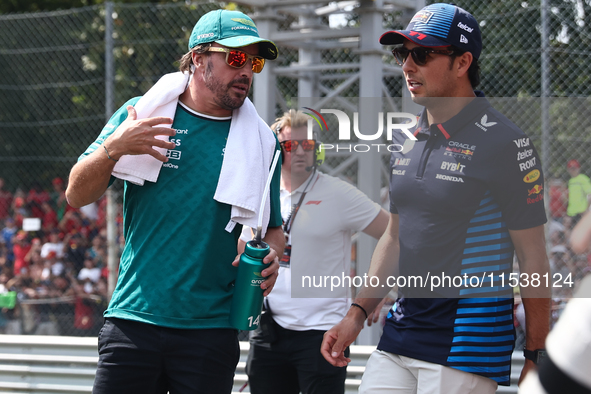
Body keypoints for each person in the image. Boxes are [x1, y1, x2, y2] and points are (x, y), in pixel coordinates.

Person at [321, 4, 551, 394]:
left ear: (463, 62)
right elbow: (394, 237)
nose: (408, 66)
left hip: (467, 349)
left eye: (422, 54)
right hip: (399, 335)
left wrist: (535, 357)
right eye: (403, 53)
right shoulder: (405, 138)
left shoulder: (506, 142)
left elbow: (533, 257)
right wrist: (356, 314)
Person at [65, 9, 284, 394]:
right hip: (133, 320)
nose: (246, 70)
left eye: (255, 60)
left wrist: (272, 258)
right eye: (236, 57)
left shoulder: (264, 143)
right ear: (198, 58)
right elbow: (76, 193)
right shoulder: (143, 114)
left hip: (211, 331)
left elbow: (274, 229)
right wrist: (114, 149)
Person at [242, 110, 389, 394]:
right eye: (289, 145)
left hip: (323, 332)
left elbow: (397, 236)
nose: (300, 152)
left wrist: (380, 291)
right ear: (276, 151)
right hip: (268, 327)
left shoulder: (339, 194)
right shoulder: (262, 195)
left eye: (307, 145)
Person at [566, 159, 591, 227]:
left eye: (574, 168)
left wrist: (586, 209)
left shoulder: (583, 179)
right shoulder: (570, 181)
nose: (573, 170)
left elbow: (589, 195)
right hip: (571, 212)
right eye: (571, 168)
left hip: (581, 211)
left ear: (578, 168)